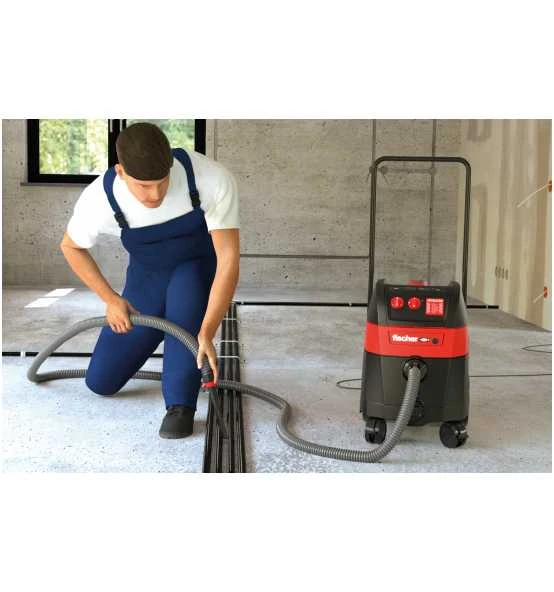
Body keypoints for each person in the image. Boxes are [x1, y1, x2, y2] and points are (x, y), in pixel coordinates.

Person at [60, 122, 240, 439]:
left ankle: (180, 401)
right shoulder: (100, 198)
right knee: (100, 382)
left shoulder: (209, 177)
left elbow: (228, 258)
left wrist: (208, 330)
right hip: (146, 280)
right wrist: (111, 299)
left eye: (162, 181)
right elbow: (71, 247)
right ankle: (166, 339)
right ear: (120, 172)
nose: (155, 195)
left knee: (185, 331)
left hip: (194, 270)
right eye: (143, 186)